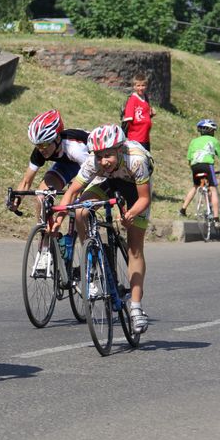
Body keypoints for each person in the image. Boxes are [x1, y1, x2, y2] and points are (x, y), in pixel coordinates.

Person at [54, 123, 153, 333]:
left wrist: (129, 215)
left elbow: (144, 198)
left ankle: (136, 307)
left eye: (108, 155)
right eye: (99, 156)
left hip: (134, 188)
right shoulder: (95, 162)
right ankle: (92, 255)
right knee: (81, 210)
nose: (103, 161)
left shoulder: (136, 159)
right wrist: (59, 217)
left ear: (119, 149)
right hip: (108, 181)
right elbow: (72, 192)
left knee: (134, 249)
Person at [9, 110, 89, 221]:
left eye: (44, 144)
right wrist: (17, 200)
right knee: (42, 197)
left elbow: (92, 174)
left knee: (80, 207)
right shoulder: (41, 150)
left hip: (89, 164)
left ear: (57, 138)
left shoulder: (75, 149)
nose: (41, 149)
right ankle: (45, 234)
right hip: (67, 165)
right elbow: (26, 181)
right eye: (37, 145)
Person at [179, 119, 220, 227]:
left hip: (195, 166)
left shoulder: (193, 141)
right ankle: (217, 219)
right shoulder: (213, 140)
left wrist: (194, 168)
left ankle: (183, 210)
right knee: (213, 189)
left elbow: (189, 159)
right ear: (211, 131)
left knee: (195, 186)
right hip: (207, 165)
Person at [121, 73, 156, 152]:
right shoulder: (132, 100)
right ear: (134, 86)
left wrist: (151, 114)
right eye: (138, 86)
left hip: (145, 137)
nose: (141, 88)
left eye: (143, 85)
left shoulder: (145, 98)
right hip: (136, 138)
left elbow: (144, 115)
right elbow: (128, 119)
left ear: (146, 86)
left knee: (147, 161)